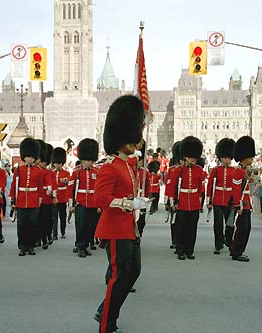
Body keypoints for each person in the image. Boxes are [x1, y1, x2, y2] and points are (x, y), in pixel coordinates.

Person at [94, 95, 145, 333]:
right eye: (131, 138)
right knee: (119, 274)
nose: (135, 143)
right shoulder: (109, 167)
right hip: (115, 227)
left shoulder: (127, 164)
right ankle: (106, 323)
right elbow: (101, 199)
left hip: (129, 226)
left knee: (133, 272)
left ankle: (105, 310)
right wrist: (128, 203)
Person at [166, 136, 205, 260]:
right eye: (190, 156)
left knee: (192, 228)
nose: (193, 159)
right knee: (181, 227)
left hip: (193, 202)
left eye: (194, 157)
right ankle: (180, 250)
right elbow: (173, 187)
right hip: (182, 202)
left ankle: (190, 250)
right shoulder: (178, 170)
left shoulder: (199, 170)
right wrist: (173, 202)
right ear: (185, 156)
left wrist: (200, 202)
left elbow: (200, 187)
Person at [10, 137, 43, 256]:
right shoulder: (18, 170)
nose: (30, 159)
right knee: (22, 225)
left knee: (33, 225)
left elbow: (40, 186)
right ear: (24, 157)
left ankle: (31, 246)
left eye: (32, 157)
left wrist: (39, 199)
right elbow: (14, 185)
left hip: (33, 200)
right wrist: (13, 199)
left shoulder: (38, 171)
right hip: (21, 200)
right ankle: (22, 246)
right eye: (28, 156)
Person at [68, 138, 99, 258]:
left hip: (93, 203)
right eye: (86, 160)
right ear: (81, 159)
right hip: (80, 202)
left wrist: (99, 205)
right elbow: (70, 189)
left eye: (91, 160)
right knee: (81, 225)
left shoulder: (97, 171)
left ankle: (85, 246)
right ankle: (80, 246)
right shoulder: (76, 172)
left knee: (90, 226)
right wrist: (71, 205)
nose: (88, 162)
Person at [206, 138, 235, 254]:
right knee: (218, 223)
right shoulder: (216, 170)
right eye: (224, 158)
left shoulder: (234, 170)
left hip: (230, 199)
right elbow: (210, 186)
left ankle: (228, 240)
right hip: (217, 199)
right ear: (220, 158)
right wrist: (209, 200)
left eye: (228, 158)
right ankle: (218, 244)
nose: (226, 160)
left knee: (229, 223)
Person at [230, 136, 256, 262]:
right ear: (245, 157)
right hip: (242, 203)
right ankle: (237, 251)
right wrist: (237, 204)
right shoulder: (238, 171)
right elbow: (236, 190)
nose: (252, 159)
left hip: (246, 203)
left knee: (245, 227)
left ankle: (236, 249)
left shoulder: (244, 170)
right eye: (251, 157)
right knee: (243, 228)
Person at [50, 147, 70, 239]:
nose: (57, 165)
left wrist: (65, 180)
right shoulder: (51, 173)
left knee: (62, 216)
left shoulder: (66, 173)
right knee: (54, 217)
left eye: (59, 163)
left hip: (62, 197)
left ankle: (63, 231)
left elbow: (68, 182)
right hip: (54, 196)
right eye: (56, 163)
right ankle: (54, 234)